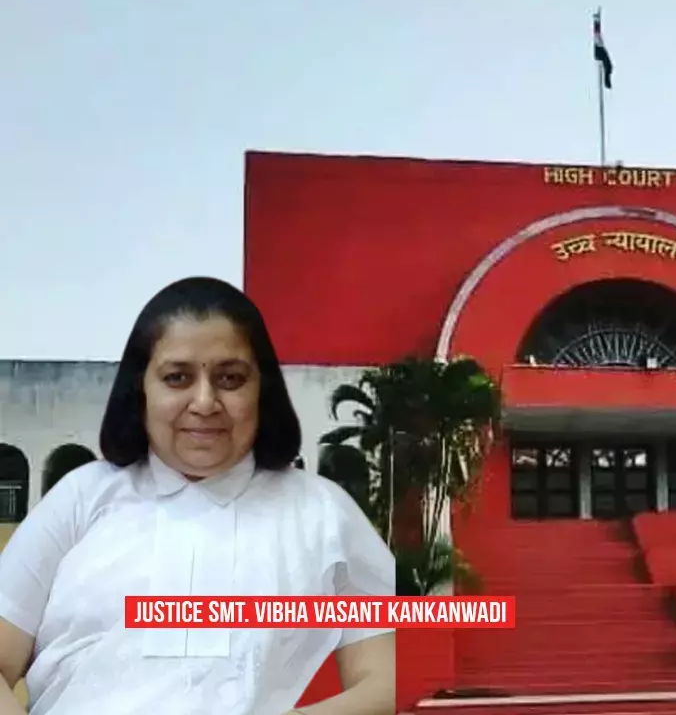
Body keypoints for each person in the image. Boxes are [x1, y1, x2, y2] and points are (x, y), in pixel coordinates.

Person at [0, 277, 395, 715]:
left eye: (230, 379)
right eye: (177, 378)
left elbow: (384, 683)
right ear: (141, 388)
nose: (205, 402)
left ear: (261, 389)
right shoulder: (80, 498)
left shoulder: (323, 513)